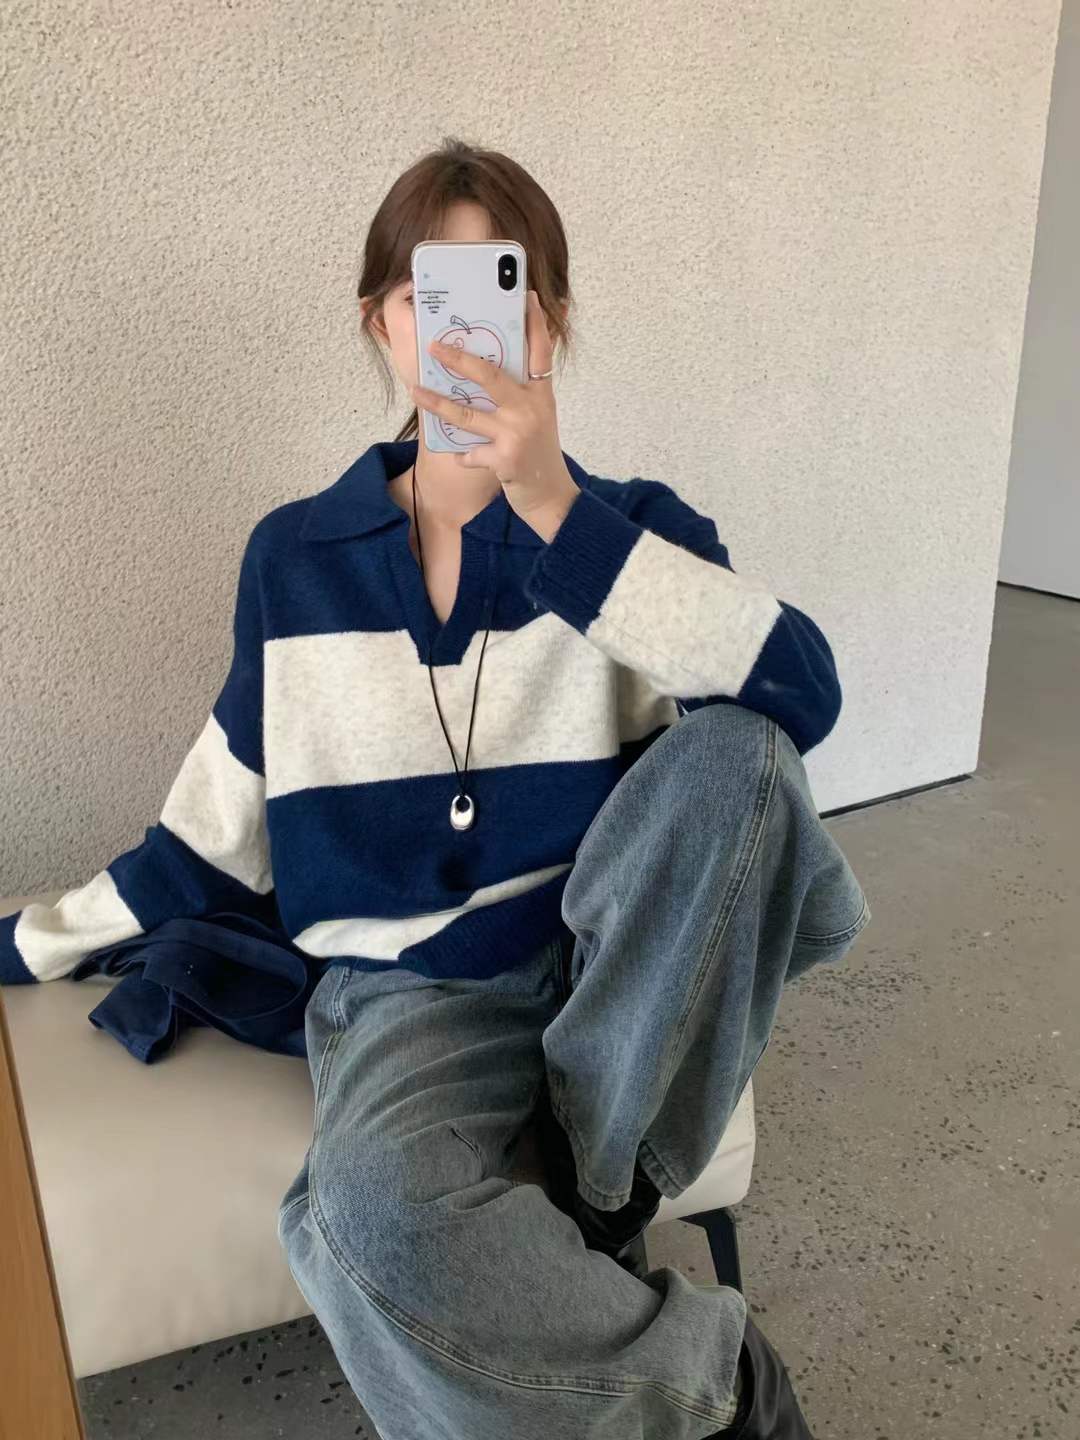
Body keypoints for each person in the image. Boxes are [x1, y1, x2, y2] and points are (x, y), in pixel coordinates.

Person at [1, 138, 870, 1437]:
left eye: (498, 292)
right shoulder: (299, 559)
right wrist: (28, 940)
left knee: (741, 755)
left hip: (609, 967)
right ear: (382, 323)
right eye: (427, 293)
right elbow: (213, 827)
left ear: (549, 323)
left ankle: (589, 1187)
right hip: (408, 992)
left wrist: (556, 507)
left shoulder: (629, 531)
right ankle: (721, 1383)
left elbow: (800, 695)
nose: (460, 329)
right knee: (365, 1217)